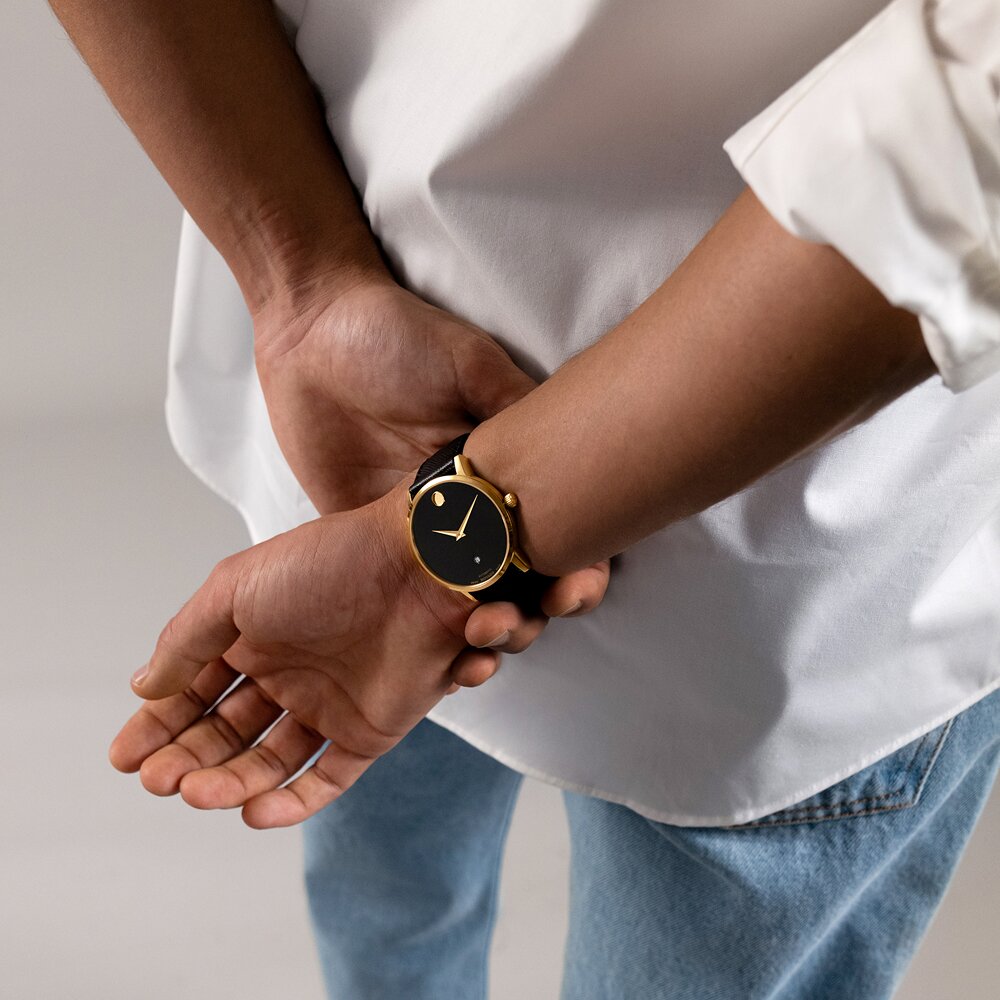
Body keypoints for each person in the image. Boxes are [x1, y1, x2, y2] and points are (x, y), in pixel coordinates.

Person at [51, 0, 1000, 997]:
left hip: (776, 555)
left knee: (387, 905)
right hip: (360, 412)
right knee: (382, 915)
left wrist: (307, 289)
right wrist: (304, 286)